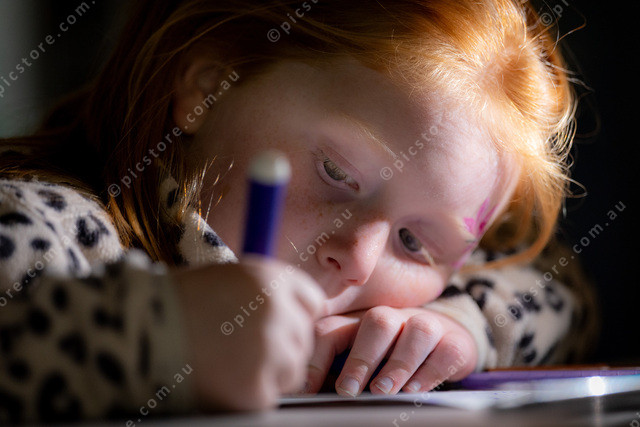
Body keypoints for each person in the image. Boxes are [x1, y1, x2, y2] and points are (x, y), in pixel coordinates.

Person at [0, 0, 599, 423]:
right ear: (207, 86)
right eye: (337, 174)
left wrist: (460, 328)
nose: (358, 259)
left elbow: (559, 287)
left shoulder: (400, 307)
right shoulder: (53, 224)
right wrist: (162, 337)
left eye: (414, 243)